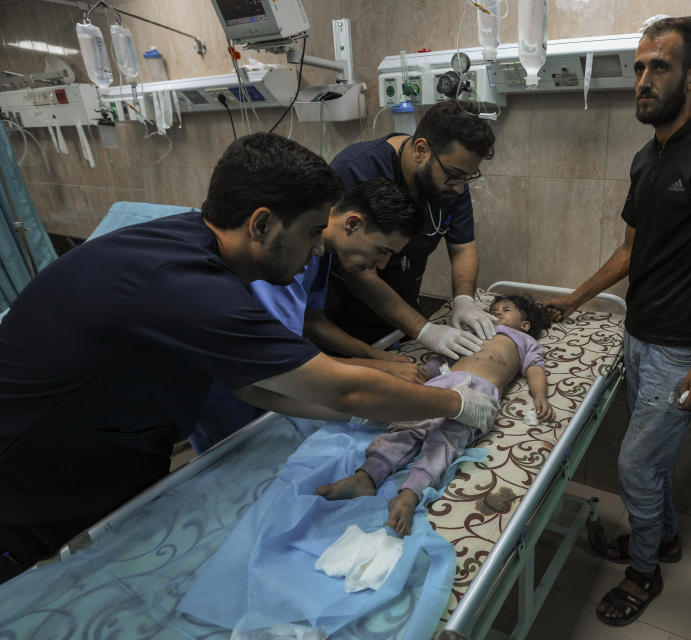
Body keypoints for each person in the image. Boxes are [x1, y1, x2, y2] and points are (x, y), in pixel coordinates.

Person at [0, 133, 499, 584]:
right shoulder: (190, 285)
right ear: (262, 224)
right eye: (309, 233)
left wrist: (369, 410)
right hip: (33, 476)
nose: (317, 252)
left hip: (112, 449)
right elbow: (338, 386)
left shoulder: (195, 246)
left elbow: (252, 385)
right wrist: (452, 404)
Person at [543, 17, 691, 627]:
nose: (643, 79)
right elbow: (629, 251)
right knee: (652, 461)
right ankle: (660, 539)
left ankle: (644, 574)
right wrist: (573, 299)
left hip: (681, 347)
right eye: (638, 67)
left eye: (658, 66)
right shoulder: (645, 159)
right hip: (636, 336)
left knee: (636, 466)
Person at [190, 177, 427, 454]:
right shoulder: (281, 258)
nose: (382, 264)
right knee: (237, 469)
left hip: (270, 377)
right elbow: (282, 361)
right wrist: (378, 369)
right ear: (353, 223)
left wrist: (375, 356)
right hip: (229, 386)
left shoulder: (322, 254)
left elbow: (312, 321)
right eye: (382, 251)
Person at [315, 294, 555, 536]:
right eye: (493, 309)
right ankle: (367, 476)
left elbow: (535, 368)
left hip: (479, 392)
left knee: (445, 441)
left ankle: (410, 494)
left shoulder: (523, 340)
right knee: (408, 426)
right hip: (442, 382)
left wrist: (540, 396)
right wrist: (422, 374)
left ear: (525, 325)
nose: (497, 313)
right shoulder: (474, 332)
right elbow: (445, 356)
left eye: (507, 309)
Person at [322, 100, 498, 360]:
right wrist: (424, 330)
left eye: (467, 177)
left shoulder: (452, 183)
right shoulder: (357, 169)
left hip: (400, 323)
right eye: (454, 174)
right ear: (421, 150)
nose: (460, 188)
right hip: (342, 328)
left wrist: (463, 300)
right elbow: (356, 269)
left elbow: (462, 246)